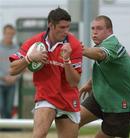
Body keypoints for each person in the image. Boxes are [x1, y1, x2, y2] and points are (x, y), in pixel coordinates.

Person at [9, 8, 82, 138]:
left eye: (68, 27)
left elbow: (74, 82)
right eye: (62, 27)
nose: (66, 31)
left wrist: (66, 60)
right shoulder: (35, 43)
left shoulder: (73, 45)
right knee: (39, 135)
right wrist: (29, 58)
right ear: (50, 25)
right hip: (46, 97)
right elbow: (13, 69)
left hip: (68, 99)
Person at [79, 15, 130, 138]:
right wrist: (90, 84)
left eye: (99, 28)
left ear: (109, 31)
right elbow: (108, 69)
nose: (94, 32)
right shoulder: (103, 45)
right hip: (101, 98)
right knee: (71, 121)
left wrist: (79, 50)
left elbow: (100, 54)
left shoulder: (112, 44)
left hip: (121, 106)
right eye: (93, 28)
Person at [0, 24, 19, 119]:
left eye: (11, 34)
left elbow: (21, 65)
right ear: (3, 34)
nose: (9, 36)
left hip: (12, 84)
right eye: (8, 33)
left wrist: (14, 77)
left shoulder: (16, 49)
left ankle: (7, 130)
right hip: (0, 82)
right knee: (1, 107)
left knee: (8, 108)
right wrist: (3, 77)